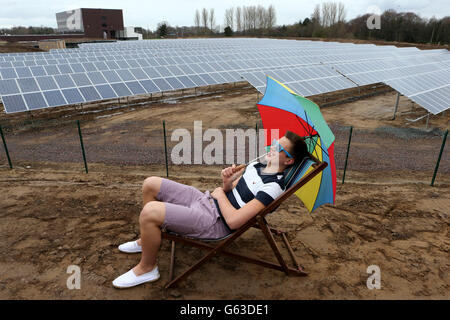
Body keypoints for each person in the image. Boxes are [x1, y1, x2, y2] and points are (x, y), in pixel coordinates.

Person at [112, 131, 309, 288]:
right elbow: (230, 191)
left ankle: (147, 268)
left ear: (289, 161)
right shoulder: (257, 166)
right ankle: (145, 240)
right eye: (274, 143)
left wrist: (220, 194)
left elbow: (234, 222)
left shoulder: (273, 188)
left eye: (279, 149)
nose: (272, 148)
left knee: (150, 212)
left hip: (216, 222)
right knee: (151, 183)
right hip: (207, 200)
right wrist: (226, 183)